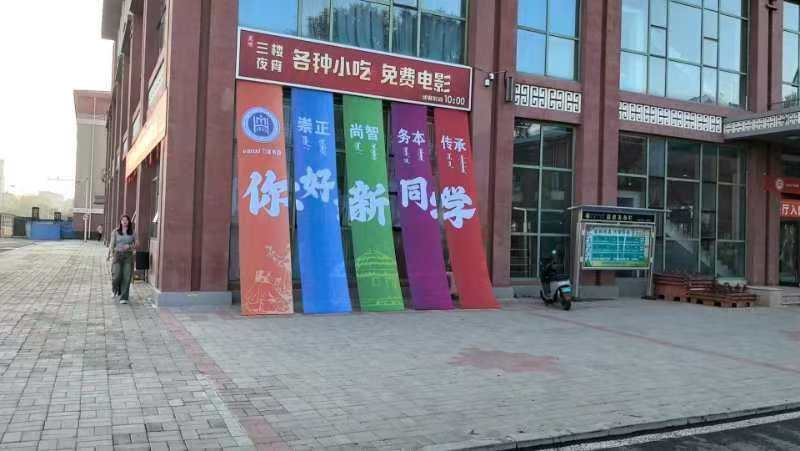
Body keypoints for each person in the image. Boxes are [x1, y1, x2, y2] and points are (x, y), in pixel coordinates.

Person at [108, 215, 136, 304]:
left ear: (129, 222)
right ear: (120, 221)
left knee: (126, 277)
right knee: (116, 276)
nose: (124, 221)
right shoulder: (115, 232)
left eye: (126, 220)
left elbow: (137, 244)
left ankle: (124, 297)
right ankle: (114, 289)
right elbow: (111, 244)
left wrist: (130, 246)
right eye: (122, 220)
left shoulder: (133, 232)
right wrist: (111, 254)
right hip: (117, 255)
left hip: (128, 256)